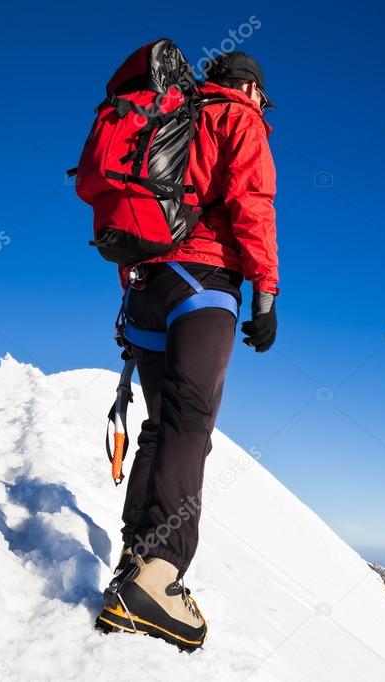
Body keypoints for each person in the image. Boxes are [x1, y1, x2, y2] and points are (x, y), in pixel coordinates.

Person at [95, 51, 278, 651]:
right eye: (260, 94)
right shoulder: (238, 117)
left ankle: (135, 560)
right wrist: (266, 293)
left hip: (145, 287)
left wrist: (135, 284)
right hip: (204, 283)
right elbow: (252, 202)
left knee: (160, 424)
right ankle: (161, 574)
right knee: (189, 424)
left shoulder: (166, 112)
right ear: (250, 87)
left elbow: (133, 202)